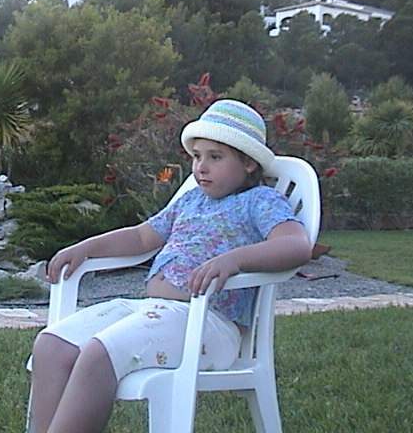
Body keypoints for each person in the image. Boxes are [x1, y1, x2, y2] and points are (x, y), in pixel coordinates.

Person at [30, 99, 313, 433]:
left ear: (249, 163)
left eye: (215, 157)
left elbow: (296, 245)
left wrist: (235, 260)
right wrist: (86, 248)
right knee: (51, 346)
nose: (201, 167)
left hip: (208, 324)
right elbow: (141, 237)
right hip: (154, 311)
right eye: (197, 156)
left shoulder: (260, 201)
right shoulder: (191, 200)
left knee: (97, 354)